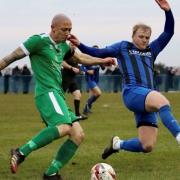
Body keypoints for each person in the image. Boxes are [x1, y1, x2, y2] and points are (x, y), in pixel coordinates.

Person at [0, 14, 114, 180]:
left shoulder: (64, 46)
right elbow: (10, 57)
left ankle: (51, 173)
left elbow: (81, 58)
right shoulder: (38, 41)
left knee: (78, 134)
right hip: (46, 93)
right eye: (64, 29)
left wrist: (102, 61)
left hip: (57, 93)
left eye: (70, 30)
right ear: (53, 28)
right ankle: (20, 152)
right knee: (65, 126)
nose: (67, 33)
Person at [69, 0, 180, 160]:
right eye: (141, 36)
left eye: (147, 37)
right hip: (132, 93)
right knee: (162, 102)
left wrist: (168, 11)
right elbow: (99, 52)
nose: (144, 40)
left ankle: (117, 144)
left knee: (147, 145)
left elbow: (168, 32)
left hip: (147, 98)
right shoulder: (123, 47)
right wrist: (80, 44)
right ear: (133, 36)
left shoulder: (152, 50)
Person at [80, 45, 103, 115]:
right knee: (98, 93)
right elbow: (81, 67)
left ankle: (87, 109)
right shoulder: (88, 58)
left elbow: (103, 68)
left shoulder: (98, 59)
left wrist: (103, 63)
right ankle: (86, 107)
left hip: (96, 80)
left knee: (91, 95)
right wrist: (87, 71)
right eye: (94, 50)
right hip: (90, 79)